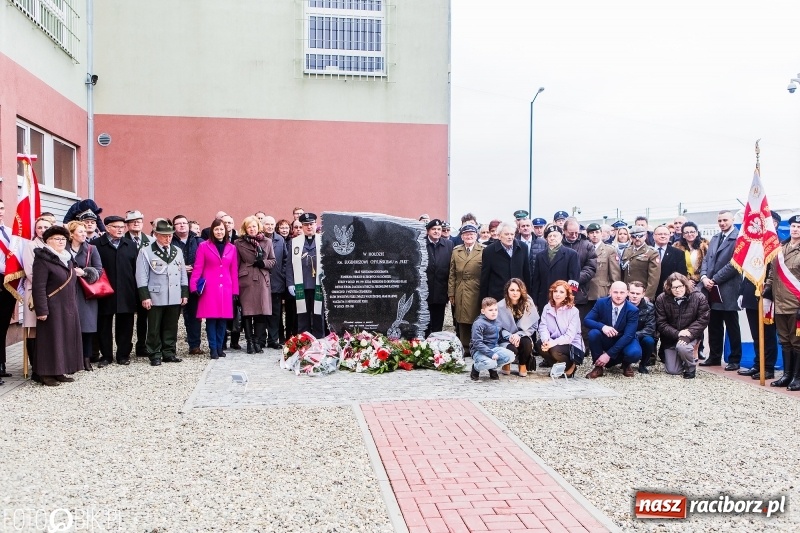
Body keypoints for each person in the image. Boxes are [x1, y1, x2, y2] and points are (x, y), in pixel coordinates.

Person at [31, 226, 84, 386]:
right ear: (48, 241)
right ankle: (45, 373)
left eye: (63, 239)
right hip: (51, 307)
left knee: (64, 339)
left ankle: (59, 370)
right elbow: (38, 287)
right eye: (56, 239)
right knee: (50, 340)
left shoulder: (66, 258)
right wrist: (42, 310)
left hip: (68, 306)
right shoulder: (42, 259)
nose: (61, 241)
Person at [136, 219, 189, 366]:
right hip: (156, 295)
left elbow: (183, 273)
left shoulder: (177, 251)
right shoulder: (146, 251)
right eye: (164, 235)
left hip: (174, 294)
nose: (168, 238)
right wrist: (145, 296)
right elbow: (141, 276)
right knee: (154, 327)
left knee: (171, 326)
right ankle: (154, 353)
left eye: (170, 235)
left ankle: (169, 352)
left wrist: (184, 293)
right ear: (156, 235)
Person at [699, 210, 742, 370]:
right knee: (714, 325)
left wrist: (715, 279)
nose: (722, 223)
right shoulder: (716, 238)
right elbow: (706, 259)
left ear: (732, 220)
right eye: (720, 221)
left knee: (732, 326)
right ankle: (715, 356)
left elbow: (735, 264)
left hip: (728, 288)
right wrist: (704, 277)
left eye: (725, 220)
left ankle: (734, 359)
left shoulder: (738, 238)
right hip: (710, 288)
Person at [191, 218, 239, 359]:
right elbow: (198, 267)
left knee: (223, 320)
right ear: (212, 231)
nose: (219, 232)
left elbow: (233, 270)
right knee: (211, 320)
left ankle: (220, 347)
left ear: (226, 231)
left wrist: (235, 290)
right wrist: (194, 285)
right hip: (210, 288)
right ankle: (213, 348)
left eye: (221, 229)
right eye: (216, 229)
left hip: (226, 287)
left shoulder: (232, 248)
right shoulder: (204, 246)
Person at [96, 215, 140, 367]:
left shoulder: (130, 245)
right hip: (104, 291)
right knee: (104, 325)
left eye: (123, 227)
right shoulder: (96, 245)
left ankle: (123, 354)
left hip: (126, 291)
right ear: (107, 228)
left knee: (126, 325)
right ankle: (106, 355)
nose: (121, 230)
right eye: (117, 227)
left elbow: (136, 270)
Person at [763, 214, 800, 390]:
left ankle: (797, 377)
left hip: (796, 303)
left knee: (797, 341)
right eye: (793, 226)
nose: (795, 229)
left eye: (799, 227)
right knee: (785, 340)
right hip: (780, 303)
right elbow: (772, 273)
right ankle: (787, 375)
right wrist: (766, 291)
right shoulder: (780, 248)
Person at [655, 273, 710, 378]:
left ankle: (690, 368)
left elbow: (703, 319)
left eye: (680, 286)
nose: (677, 290)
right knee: (673, 370)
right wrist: (678, 333)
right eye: (674, 287)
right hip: (671, 337)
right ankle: (681, 357)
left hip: (691, 334)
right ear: (669, 288)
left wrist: (688, 333)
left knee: (683, 347)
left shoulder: (699, 297)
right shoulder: (662, 299)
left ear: (685, 285)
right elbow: (661, 323)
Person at [235, 216, 276, 353]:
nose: (252, 229)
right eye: (249, 227)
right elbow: (236, 264)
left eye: (254, 226)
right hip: (246, 280)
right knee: (247, 312)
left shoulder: (267, 241)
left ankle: (257, 341)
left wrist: (263, 263)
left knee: (261, 312)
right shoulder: (238, 243)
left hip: (262, 279)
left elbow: (273, 260)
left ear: (258, 227)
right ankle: (249, 342)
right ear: (245, 229)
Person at [584, 281, 642, 378]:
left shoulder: (633, 310)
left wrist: (608, 355)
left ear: (627, 293)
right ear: (610, 292)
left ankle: (626, 364)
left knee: (634, 353)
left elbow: (628, 335)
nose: (618, 296)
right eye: (615, 292)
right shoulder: (601, 303)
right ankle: (598, 367)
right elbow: (587, 320)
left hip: (624, 339)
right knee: (593, 333)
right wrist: (603, 327)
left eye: (622, 292)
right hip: (607, 338)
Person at [67, 221, 103, 372]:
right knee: (69, 327)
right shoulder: (63, 248)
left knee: (87, 327)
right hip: (67, 291)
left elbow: (99, 270)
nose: (84, 234)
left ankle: (86, 359)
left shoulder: (91, 248)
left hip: (86, 293)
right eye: (80, 232)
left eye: (84, 232)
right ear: (72, 234)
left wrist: (85, 272)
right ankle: (70, 360)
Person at [20, 216, 52, 381]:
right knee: (33, 329)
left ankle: (48, 365)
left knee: (48, 329)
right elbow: (30, 271)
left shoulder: (53, 244)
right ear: (35, 230)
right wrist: (47, 285)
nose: (42, 230)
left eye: (46, 227)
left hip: (52, 293)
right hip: (35, 292)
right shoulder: (31, 246)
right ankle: (36, 369)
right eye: (39, 227)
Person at [286, 213, 325, 338]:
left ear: (316, 225)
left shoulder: (323, 240)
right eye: (306, 225)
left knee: (319, 315)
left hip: (318, 284)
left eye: (311, 224)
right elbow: (289, 265)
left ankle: (320, 341)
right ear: (302, 226)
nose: (309, 227)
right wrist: (290, 283)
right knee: (302, 315)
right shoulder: (294, 242)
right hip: (301, 284)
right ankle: (304, 341)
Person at [448, 224, 484, 356]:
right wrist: (451, 292)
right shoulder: (456, 251)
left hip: (477, 288)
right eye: (466, 234)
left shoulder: (483, 250)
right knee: (462, 318)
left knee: (476, 317)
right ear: (462, 236)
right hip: (461, 288)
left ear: (476, 236)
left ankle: (477, 345)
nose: (469, 236)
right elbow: (452, 273)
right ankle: (465, 346)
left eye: (472, 234)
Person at [529, 224, 579, 316]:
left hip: (563, 299)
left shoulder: (571, 254)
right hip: (544, 299)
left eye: (555, 236)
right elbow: (536, 280)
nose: (552, 238)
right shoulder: (540, 256)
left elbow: (574, 280)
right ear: (546, 239)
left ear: (561, 237)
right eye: (550, 236)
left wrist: (570, 299)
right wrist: (535, 301)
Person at [172, 214, 204, 355]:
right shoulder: (170, 241)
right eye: (178, 223)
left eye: (184, 223)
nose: (182, 225)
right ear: (174, 227)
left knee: (194, 316)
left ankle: (194, 345)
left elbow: (204, 260)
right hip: (174, 283)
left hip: (194, 283)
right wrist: (180, 267)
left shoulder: (198, 241)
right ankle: (170, 347)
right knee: (172, 316)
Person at [537, 280, 583, 377]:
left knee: (554, 350)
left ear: (567, 295)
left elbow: (569, 337)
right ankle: (558, 365)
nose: (557, 294)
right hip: (553, 341)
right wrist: (546, 340)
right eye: (555, 291)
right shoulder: (547, 307)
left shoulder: (573, 311)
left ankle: (571, 365)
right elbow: (543, 326)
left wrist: (552, 343)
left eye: (561, 292)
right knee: (539, 345)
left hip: (572, 345)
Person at [496, 278, 539, 377]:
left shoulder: (529, 304)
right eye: (512, 290)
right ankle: (506, 363)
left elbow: (533, 325)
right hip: (506, 337)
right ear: (507, 290)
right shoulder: (500, 306)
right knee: (511, 349)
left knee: (526, 343)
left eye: (518, 290)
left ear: (522, 291)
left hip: (523, 335)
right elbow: (498, 327)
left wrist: (519, 335)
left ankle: (522, 364)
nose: (515, 293)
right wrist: (510, 336)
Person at [479, 222, 530, 301]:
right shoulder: (489, 251)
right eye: (506, 234)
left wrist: (528, 296)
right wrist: (483, 300)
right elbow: (485, 278)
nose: (510, 237)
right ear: (499, 236)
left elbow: (527, 274)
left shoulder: (523, 247)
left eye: (512, 234)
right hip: (498, 297)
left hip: (518, 296)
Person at [124, 209, 150, 357]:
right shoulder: (123, 240)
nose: (136, 223)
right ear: (127, 224)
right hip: (128, 285)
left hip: (144, 285)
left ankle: (142, 346)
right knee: (127, 319)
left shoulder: (149, 240)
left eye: (139, 221)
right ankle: (126, 348)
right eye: (133, 221)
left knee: (144, 318)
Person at [469, 297, 514, 381]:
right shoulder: (478, 324)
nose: (494, 312)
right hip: (479, 351)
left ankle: (492, 368)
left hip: (494, 348)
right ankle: (476, 368)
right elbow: (477, 343)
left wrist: (510, 337)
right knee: (490, 362)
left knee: (510, 356)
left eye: (495, 310)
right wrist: (491, 354)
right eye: (490, 310)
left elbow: (500, 336)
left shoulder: (498, 322)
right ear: (483, 311)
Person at [423, 219, 454, 336]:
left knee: (438, 322)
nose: (437, 231)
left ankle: (435, 346)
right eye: (434, 229)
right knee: (425, 321)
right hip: (425, 290)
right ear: (428, 231)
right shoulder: (421, 243)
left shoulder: (449, 244)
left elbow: (452, 267)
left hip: (441, 290)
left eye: (439, 229)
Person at [263, 216, 287, 348]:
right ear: (262, 225)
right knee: (261, 312)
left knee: (275, 312)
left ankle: (273, 339)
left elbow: (285, 259)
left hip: (277, 281)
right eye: (267, 224)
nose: (270, 227)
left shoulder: (280, 239)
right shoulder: (258, 239)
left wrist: (282, 274)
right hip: (261, 282)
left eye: (272, 224)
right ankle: (261, 339)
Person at [621, 225, 660, 300]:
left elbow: (654, 278)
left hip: (641, 293)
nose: (637, 238)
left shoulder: (652, 253)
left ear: (645, 236)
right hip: (627, 292)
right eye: (634, 236)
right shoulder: (627, 251)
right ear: (631, 238)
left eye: (640, 236)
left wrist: (648, 296)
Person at [627, 281, 656, 374]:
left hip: (640, 335)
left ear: (643, 294)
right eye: (632, 293)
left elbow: (650, 328)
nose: (635, 296)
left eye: (638, 293)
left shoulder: (650, 307)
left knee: (650, 341)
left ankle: (643, 364)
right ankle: (625, 363)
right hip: (625, 335)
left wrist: (634, 335)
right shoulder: (622, 304)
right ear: (628, 292)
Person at [652, 225, 688, 298]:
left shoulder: (678, 253)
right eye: (660, 234)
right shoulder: (647, 251)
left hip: (669, 292)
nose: (663, 236)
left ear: (669, 236)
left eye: (665, 234)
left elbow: (681, 274)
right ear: (653, 236)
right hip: (649, 292)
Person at [276, 219, 297, 341]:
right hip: (278, 279)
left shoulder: (292, 242)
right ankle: (280, 334)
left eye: (286, 228)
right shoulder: (275, 241)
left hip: (289, 279)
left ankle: (290, 333)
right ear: (278, 229)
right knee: (278, 310)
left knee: (291, 310)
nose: (284, 230)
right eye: (281, 228)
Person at [673, 221, 708, 287]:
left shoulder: (704, 247)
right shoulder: (676, 247)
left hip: (701, 281)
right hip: (682, 282)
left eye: (692, 232)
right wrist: (685, 280)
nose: (689, 234)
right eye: (686, 232)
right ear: (683, 235)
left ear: (697, 233)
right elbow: (675, 267)